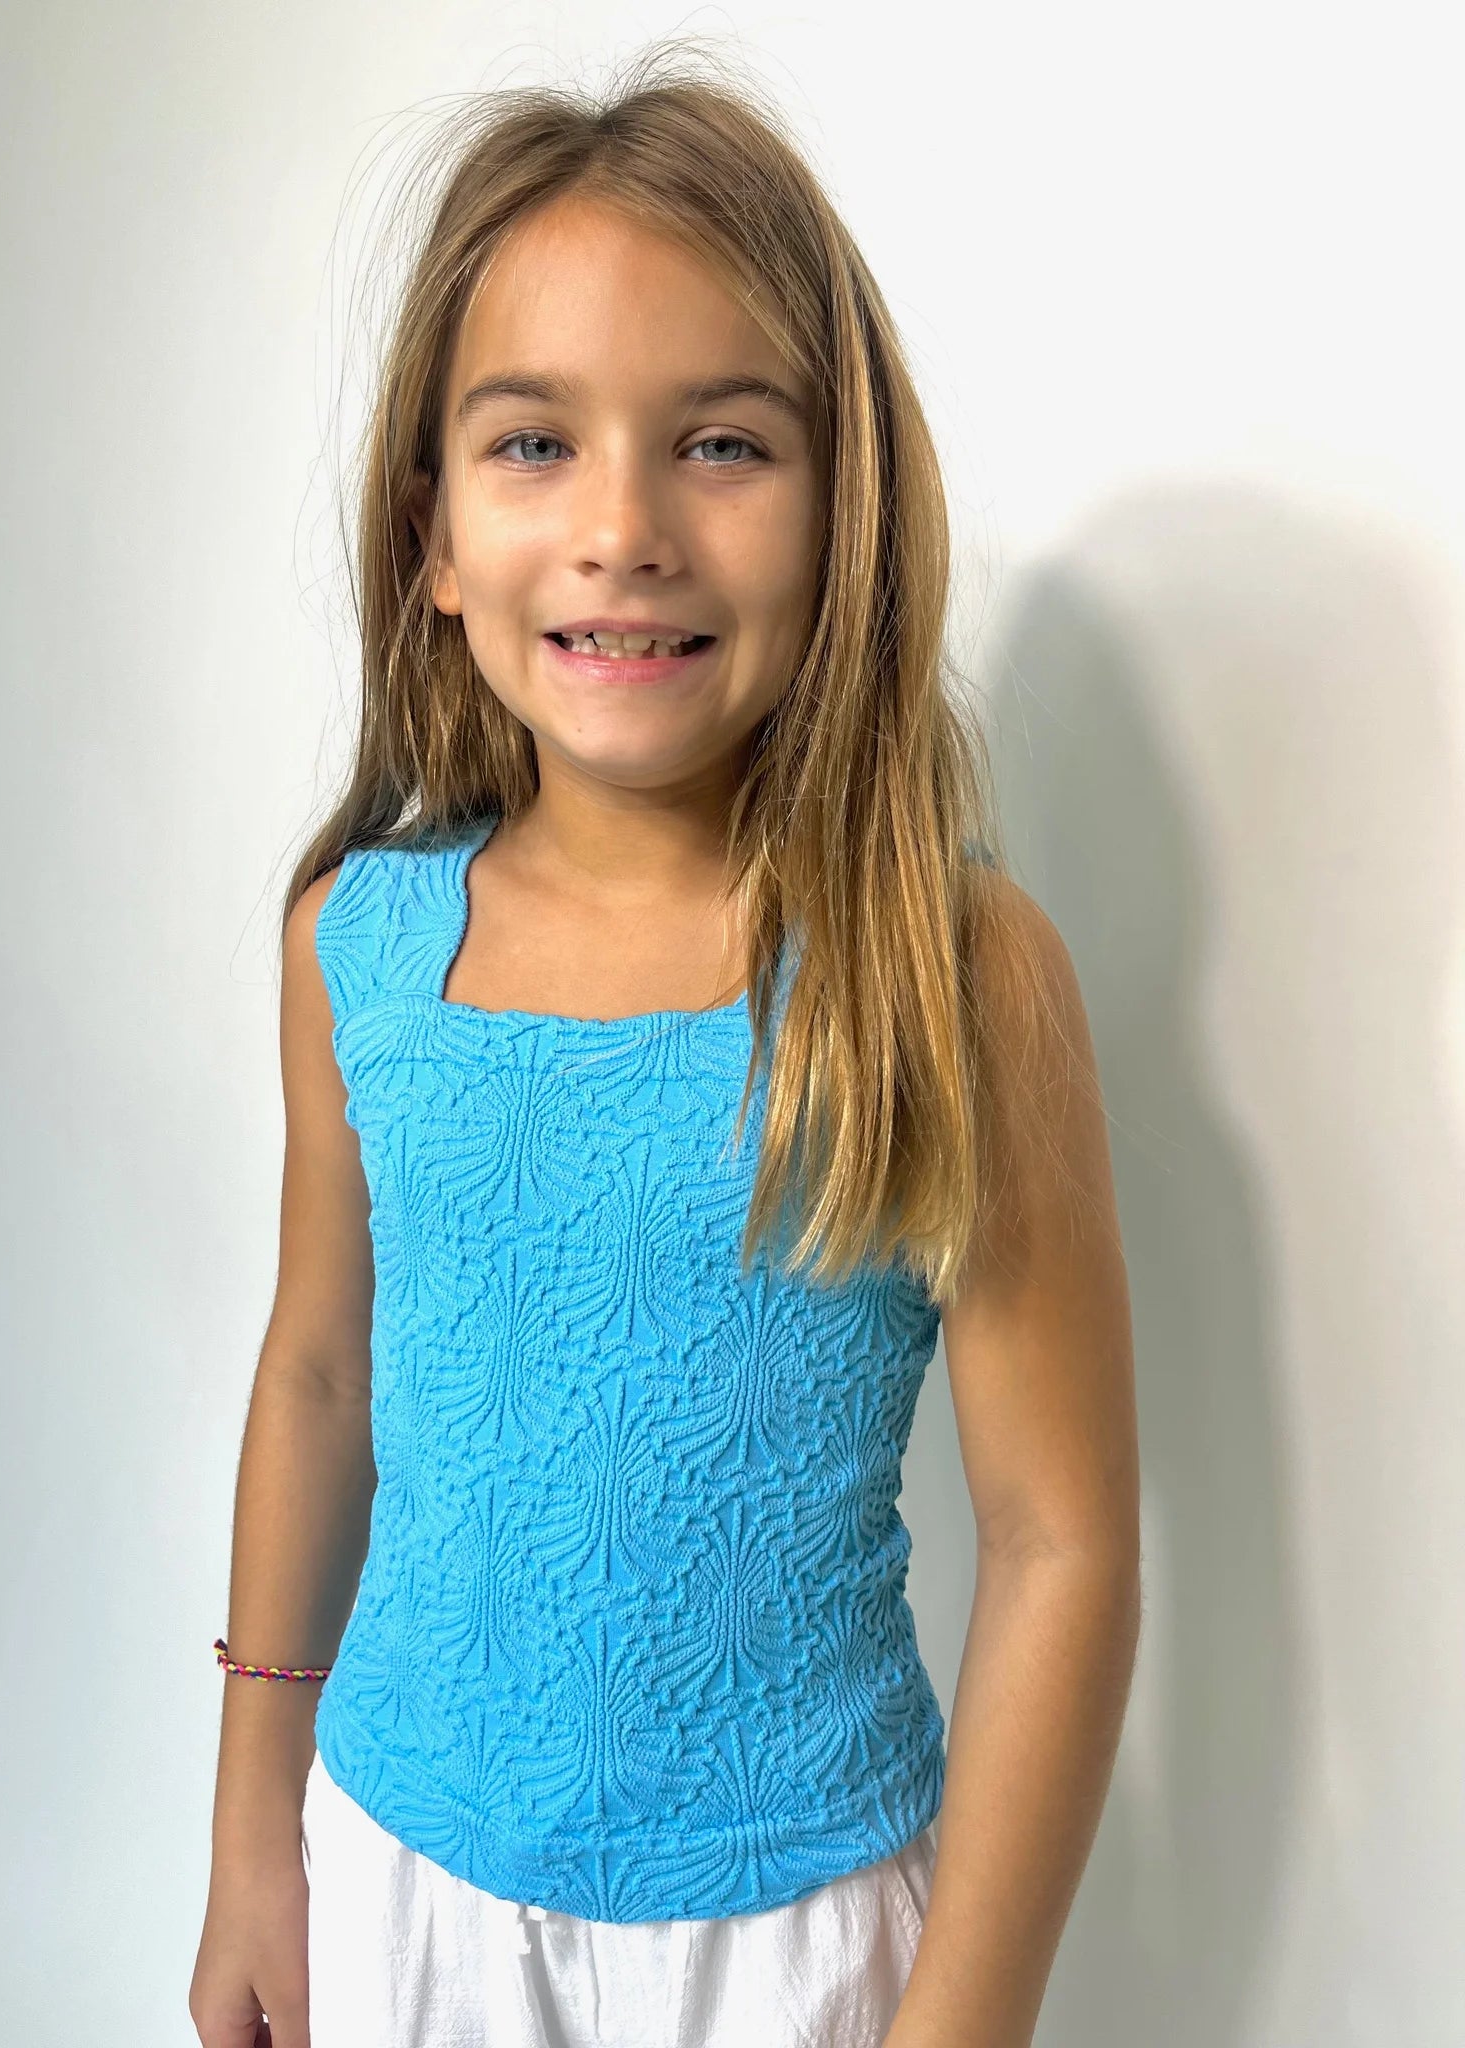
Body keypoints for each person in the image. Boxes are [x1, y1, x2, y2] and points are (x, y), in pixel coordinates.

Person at [189, 42, 1141, 2048]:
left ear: (843, 510)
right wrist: (249, 1837)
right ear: (432, 533)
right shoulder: (355, 944)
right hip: (403, 1892)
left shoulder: (953, 973)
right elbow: (320, 1371)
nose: (623, 527)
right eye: (535, 442)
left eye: (720, 442)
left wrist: (958, 2023)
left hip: (807, 1937)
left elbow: (1062, 1538)